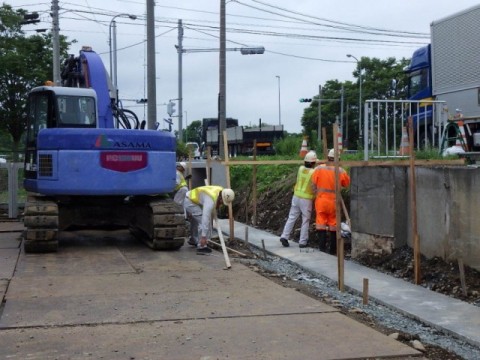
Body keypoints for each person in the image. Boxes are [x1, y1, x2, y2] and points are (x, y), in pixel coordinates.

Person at [311, 148, 350, 255]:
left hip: (321, 200)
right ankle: (332, 251)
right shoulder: (341, 170)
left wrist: (316, 194)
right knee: (333, 225)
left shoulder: (319, 169)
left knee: (321, 224)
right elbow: (346, 184)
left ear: (328, 157)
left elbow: (313, 184)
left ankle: (322, 249)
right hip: (334, 202)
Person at [279, 150, 317, 248]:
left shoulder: (300, 169)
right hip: (306, 199)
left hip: (296, 197)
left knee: (291, 217)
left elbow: (309, 165)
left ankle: (284, 236)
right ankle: (303, 242)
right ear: (314, 163)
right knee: (305, 220)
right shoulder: (314, 172)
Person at [183, 185, 235, 254]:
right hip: (189, 202)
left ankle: (193, 239)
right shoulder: (210, 201)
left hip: (190, 198)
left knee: (196, 220)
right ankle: (201, 246)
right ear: (221, 198)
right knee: (202, 221)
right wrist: (204, 236)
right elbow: (205, 218)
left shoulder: (220, 191)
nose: (221, 204)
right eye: (222, 202)